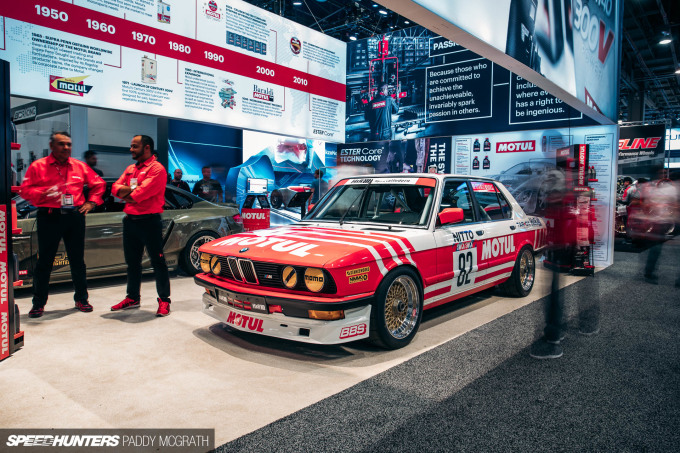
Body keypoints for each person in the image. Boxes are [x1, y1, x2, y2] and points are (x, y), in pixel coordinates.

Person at [19, 131, 105, 318]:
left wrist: (92, 202)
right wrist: (43, 193)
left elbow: (98, 184)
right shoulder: (38, 166)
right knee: (44, 262)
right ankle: (38, 303)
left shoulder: (80, 166)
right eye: (61, 144)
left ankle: (81, 299)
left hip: (74, 217)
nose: (66, 147)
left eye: (68, 144)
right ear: (51, 146)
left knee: (77, 260)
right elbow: (25, 191)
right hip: (49, 216)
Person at [110, 135, 172, 317]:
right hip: (130, 221)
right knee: (132, 264)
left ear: (146, 148)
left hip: (149, 222)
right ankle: (132, 297)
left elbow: (140, 194)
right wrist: (130, 193)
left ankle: (164, 300)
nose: (131, 150)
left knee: (158, 262)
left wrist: (128, 194)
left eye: (134, 146)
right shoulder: (130, 169)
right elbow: (114, 188)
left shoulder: (157, 169)